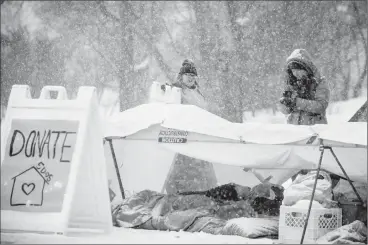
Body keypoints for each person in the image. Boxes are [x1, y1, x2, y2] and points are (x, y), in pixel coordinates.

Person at [279, 49, 330, 125]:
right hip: (295, 132)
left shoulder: (319, 82)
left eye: (298, 70)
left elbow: (321, 106)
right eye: (293, 71)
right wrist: (285, 103)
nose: (295, 73)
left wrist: (296, 102)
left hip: (314, 130)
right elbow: (285, 111)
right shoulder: (291, 84)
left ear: (306, 69)